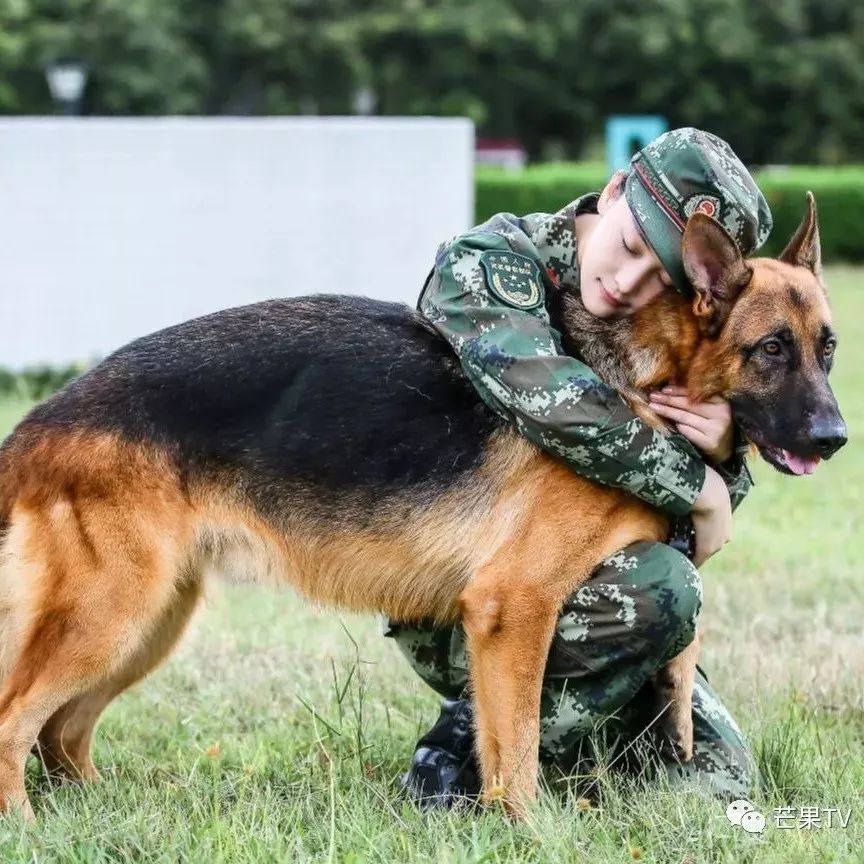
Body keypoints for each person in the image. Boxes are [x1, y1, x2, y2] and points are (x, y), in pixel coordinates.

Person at [383, 128, 773, 807]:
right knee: (663, 588)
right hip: (459, 592)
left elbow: (679, 522)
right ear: (616, 187)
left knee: (718, 781)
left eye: (662, 277)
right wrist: (697, 482)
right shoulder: (488, 266)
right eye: (627, 248)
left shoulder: (666, 321)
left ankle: (566, 734)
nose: (628, 285)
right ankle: (471, 741)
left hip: (592, 591)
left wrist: (722, 452)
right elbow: (558, 407)